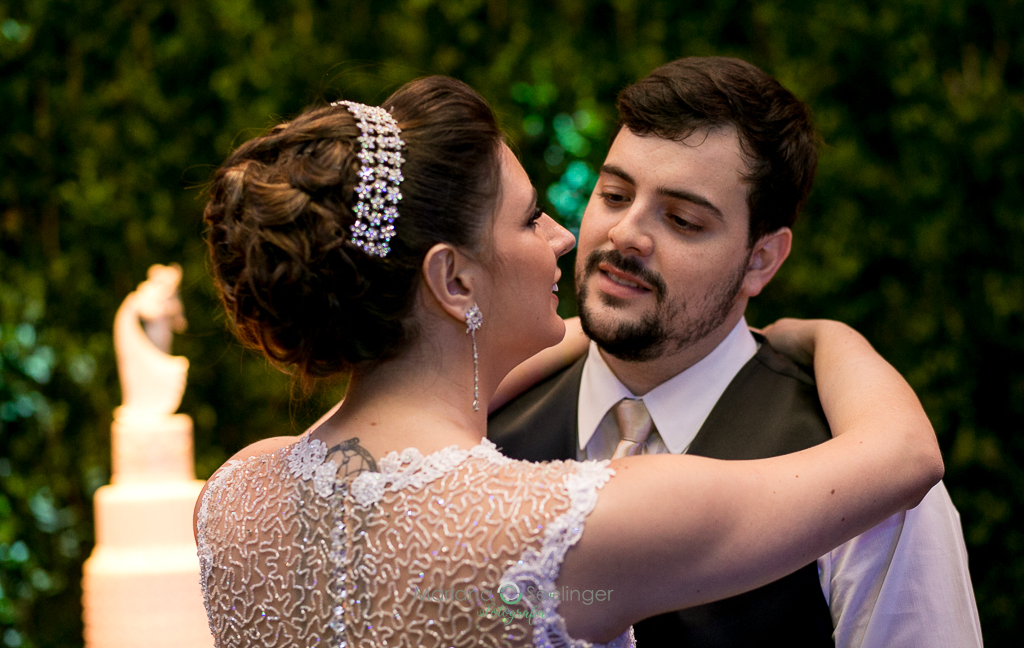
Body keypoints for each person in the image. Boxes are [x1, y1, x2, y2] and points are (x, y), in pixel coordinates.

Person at [194, 75, 942, 648]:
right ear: (453, 280)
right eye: (529, 218)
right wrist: (831, 337)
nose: (568, 236)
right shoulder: (566, 520)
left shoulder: (234, 496)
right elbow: (906, 456)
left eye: (683, 219)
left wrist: (583, 330)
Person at [489, 57, 982, 647]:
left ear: (761, 259)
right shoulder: (479, 424)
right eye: (615, 195)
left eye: (682, 220)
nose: (625, 234)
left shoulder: (870, 484)